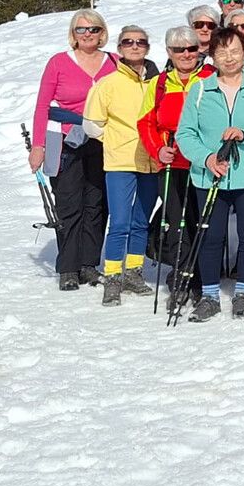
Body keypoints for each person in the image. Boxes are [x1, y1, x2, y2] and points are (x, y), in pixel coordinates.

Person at [175, 28, 244, 320]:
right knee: (211, 236)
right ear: (213, 55)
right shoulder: (200, 90)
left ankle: (243, 292)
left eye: (235, 50)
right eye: (222, 51)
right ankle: (209, 295)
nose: (229, 57)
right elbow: (185, 134)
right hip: (210, 176)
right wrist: (206, 158)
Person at [30, 10, 118, 290]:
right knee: (68, 203)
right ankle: (68, 266)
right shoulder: (58, 62)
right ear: (73, 33)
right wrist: (38, 145)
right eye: (81, 29)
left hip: (102, 140)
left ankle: (88, 264)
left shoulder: (114, 62)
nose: (87, 34)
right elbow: (43, 105)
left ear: (102, 32)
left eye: (93, 29)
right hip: (62, 140)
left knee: (97, 203)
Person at [82, 25, 160, 306]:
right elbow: (91, 124)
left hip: (151, 161)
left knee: (140, 221)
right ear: (120, 48)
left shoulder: (157, 82)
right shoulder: (108, 83)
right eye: (128, 42)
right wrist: (113, 140)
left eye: (140, 42)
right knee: (120, 222)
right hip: (120, 162)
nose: (135, 46)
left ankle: (134, 271)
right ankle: (113, 274)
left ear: (148, 47)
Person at [137, 26, 214, 294]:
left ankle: (204, 273)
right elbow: (146, 122)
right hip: (172, 161)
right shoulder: (159, 84)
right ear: (169, 52)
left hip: (204, 163)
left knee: (202, 219)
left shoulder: (210, 77)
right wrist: (157, 149)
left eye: (191, 48)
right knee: (175, 220)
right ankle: (181, 271)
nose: (186, 54)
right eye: (179, 49)